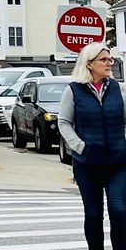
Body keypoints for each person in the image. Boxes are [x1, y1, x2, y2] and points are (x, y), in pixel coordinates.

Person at [58, 42, 126, 250]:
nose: (109, 63)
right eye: (104, 60)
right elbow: (64, 122)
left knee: (119, 210)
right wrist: (80, 147)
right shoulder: (73, 91)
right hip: (87, 164)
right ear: (89, 64)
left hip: (118, 163)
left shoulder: (119, 89)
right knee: (94, 213)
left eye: (110, 59)